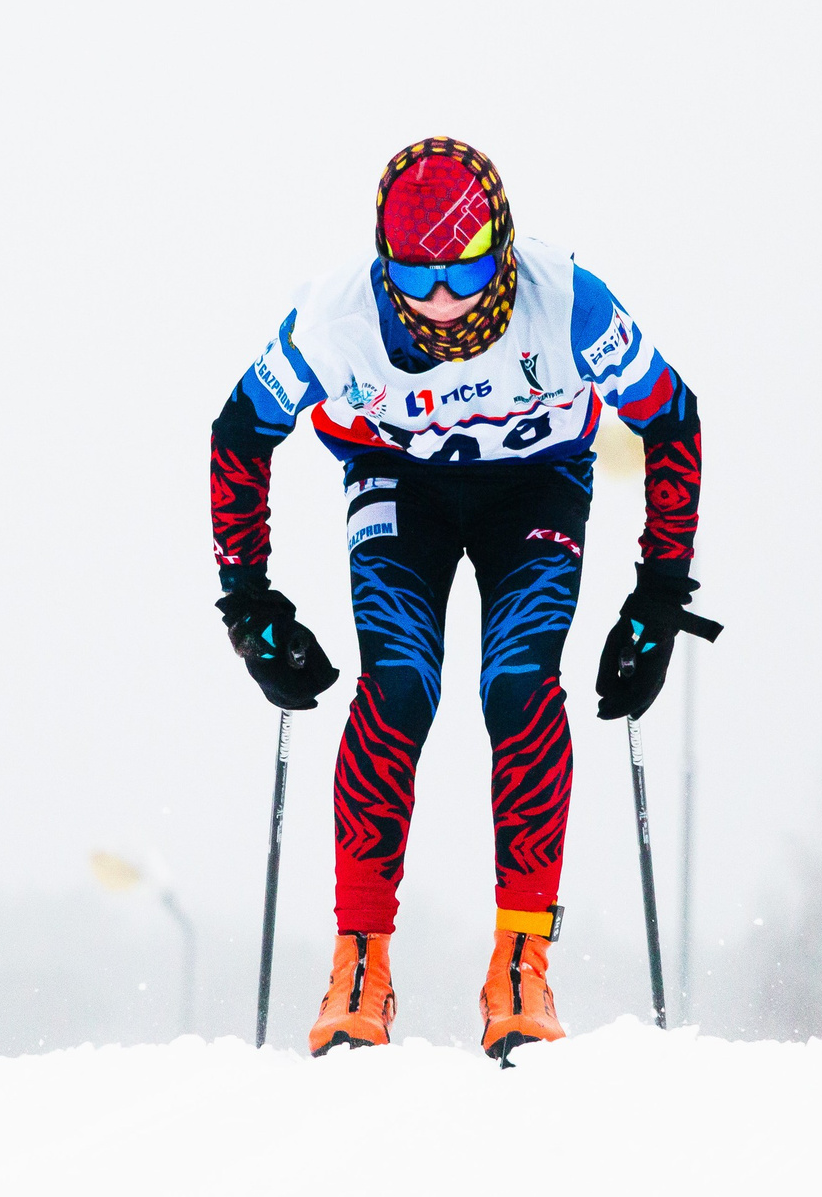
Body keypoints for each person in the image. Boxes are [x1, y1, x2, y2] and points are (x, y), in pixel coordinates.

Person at [209, 137, 712, 1061]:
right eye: (416, 276)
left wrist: (658, 598)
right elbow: (239, 433)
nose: (443, 301)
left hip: (539, 484)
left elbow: (672, 419)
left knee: (520, 687)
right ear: (381, 261)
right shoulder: (336, 320)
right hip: (398, 481)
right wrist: (249, 604)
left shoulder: (571, 305)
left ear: (505, 250)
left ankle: (521, 961)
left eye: (468, 272)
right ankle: (359, 966)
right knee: (397, 687)